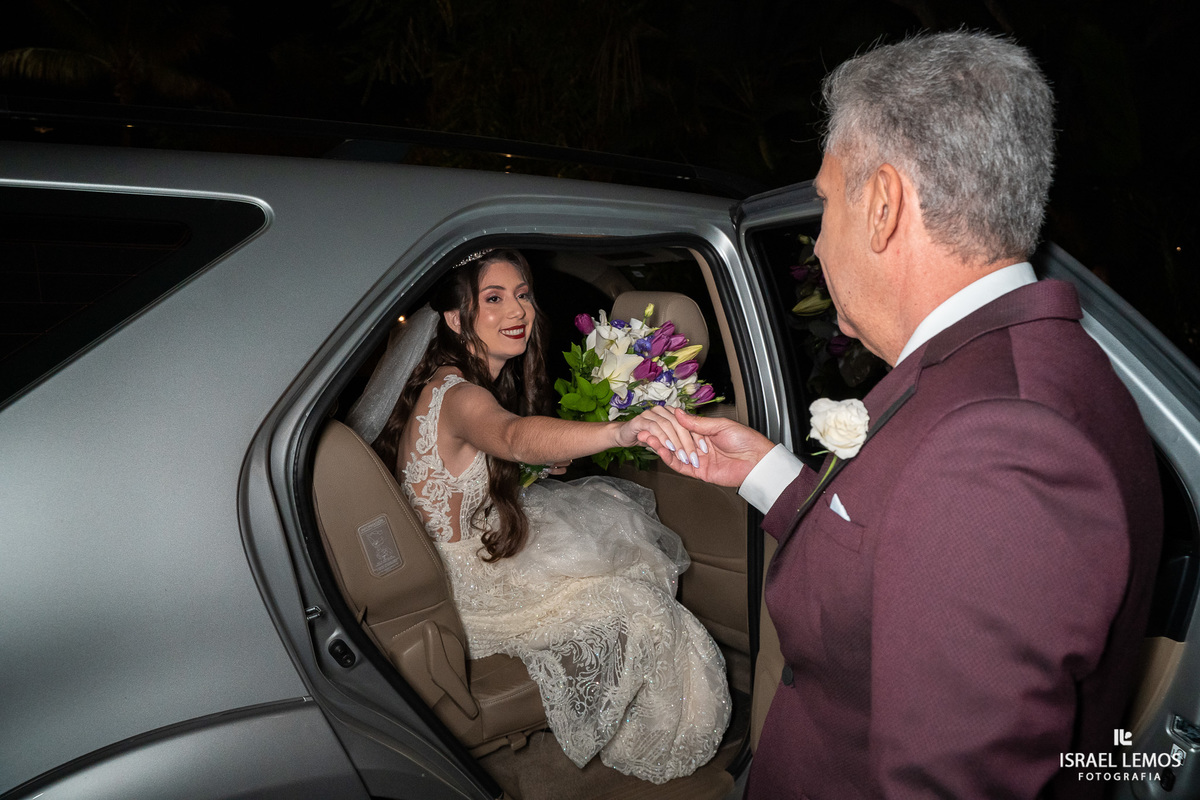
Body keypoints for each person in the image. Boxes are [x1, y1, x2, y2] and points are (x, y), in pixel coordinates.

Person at [639, 31, 1163, 798]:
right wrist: (764, 472)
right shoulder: (1005, 368)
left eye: (823, 203)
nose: (817, 242)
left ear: (882, 204)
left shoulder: (1004, 445)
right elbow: (899, 539)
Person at [357, 248, 731, 784]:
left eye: (523, 295)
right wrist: (618, 430)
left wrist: (524, 468)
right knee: (641, 602)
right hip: (457, 583)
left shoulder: (453, 379)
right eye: (493, 298)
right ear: (455, 317)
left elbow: (494, 453)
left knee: (624, 556)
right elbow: (510, 434)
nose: (517, 311)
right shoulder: (458, 393)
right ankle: (641, 746)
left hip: (462, 547)